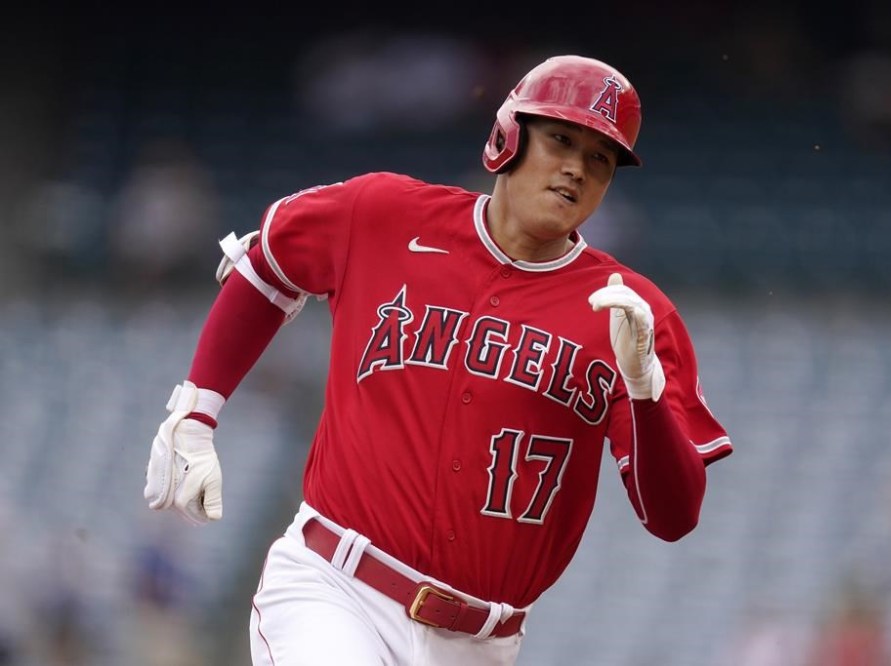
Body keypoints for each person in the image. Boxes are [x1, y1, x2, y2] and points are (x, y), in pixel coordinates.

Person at [142, 54, 733, 665]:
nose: (576, 169)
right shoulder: (385, 215)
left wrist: (645, 391)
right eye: (560, 139)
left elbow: (673, 516)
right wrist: (194, 412)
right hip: (336, 589)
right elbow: (267, 264)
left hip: (483, 643)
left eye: (600, 159)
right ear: (508, 137)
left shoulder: (634, 314)